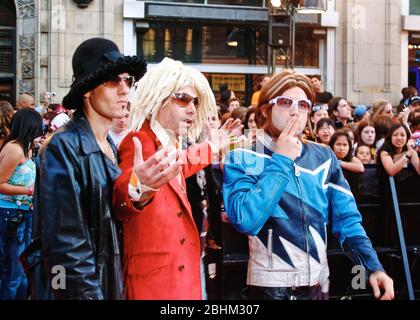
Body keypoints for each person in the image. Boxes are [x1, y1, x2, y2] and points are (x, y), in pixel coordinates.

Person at [222, 69, 394, 300]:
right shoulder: (243, 157)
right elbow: (245, 220)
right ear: (265, 109)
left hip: (318, 284)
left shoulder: (324, 156)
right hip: (270, 288)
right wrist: (282, 160)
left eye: (303, 104)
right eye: (285, 102)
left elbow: (348, 220)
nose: (295, 111)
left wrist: (373, 266)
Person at [20, 37, 147, 300]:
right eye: (114, 81)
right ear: (88, 90)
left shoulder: (111, 145)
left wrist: (141, 190)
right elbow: (65, 249)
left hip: (110, 283)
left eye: (128, 81)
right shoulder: (63, 147)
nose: (125, 90)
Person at [113, 57, 241, 300]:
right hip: (155, 282)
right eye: (182, 99)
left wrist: (212, 147)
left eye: (195, 101)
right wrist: (137, 188)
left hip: (178, 276)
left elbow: (180, 165)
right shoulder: (139, 140)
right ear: (158, 99)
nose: (192, 108)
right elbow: (122, 198)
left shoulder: (166, 142)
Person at [0, 108, 42, 300]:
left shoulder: (25, 147)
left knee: (21, 270)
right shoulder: (15, 149)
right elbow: (0, 184)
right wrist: (29, 191)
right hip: (10, 214)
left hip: (23, 213)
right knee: (15, 272)